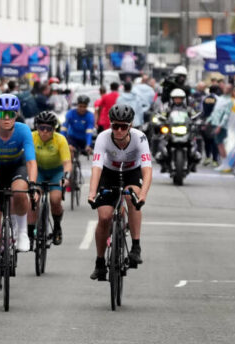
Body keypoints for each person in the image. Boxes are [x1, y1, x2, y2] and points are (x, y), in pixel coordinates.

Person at [0, 94, 37, 297]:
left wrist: (33, 184)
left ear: (16, 115)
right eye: (2, 114)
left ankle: (22, 232)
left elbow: (30, 161)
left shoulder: (23, 130)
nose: (6, 118)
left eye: (10, 114)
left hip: (16, 169)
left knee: (21, 190)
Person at [87, 104, 153, 281]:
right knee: (104, 217)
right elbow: (97, 168)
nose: (119, 130)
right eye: (115, 126)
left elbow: (147, 170)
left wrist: (143, 195)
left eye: (123, 126)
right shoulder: (103, 138)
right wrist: (92, 193)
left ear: (130, 126)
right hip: (109, 173)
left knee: (131, 198)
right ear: (110, 125)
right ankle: (100, 262)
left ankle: (136, 246)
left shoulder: (140, 138)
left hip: (132, 172)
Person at [30, 111, 72, 245]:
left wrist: (65, 177)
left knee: (55, 199)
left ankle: (57, 226)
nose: (44, 132)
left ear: (54, 129)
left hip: (56, 172)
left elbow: (66, 163)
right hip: (39, 171)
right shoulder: (31, 137)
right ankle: (31, 230)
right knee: (34, 197)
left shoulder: (60, 139)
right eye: (41, 128)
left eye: (48, 129)